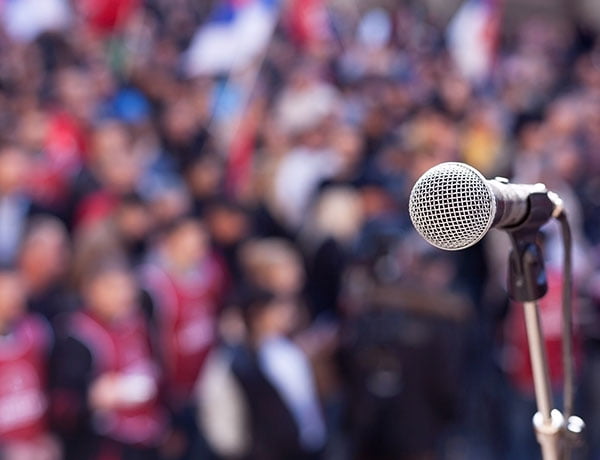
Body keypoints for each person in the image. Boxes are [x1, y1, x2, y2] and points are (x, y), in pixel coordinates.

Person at [50, 262, 167, 460]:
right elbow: (62, 407)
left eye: (126, 286)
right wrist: (92, 399)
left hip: (150, 435)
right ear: (90, 291)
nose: (123, 295)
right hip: (107, 444)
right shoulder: (78, 336)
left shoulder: (139, 321)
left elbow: (156, 369)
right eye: (112, 288)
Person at [198, 287, 326, 460]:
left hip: (299, 449)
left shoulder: (285, 351)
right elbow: (217, 413)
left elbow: (305, 405)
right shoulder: (233, 360)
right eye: (274, 311)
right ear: (256, 315)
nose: (283, 316)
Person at [140, 217, 227, 459]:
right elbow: (150, 344)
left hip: (206, 385)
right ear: (169, 242)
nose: (196, 249)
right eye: (189, 242)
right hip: (174, 394)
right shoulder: (153, 285)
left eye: (201, 243)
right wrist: (165, 401)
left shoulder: (209, 273)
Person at [0, 269, 60, 460]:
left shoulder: (37, 331)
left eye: (17, 290)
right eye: (6, 291)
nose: (15, 298)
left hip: (37, 445)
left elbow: (51, 387)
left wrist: (51, 435)